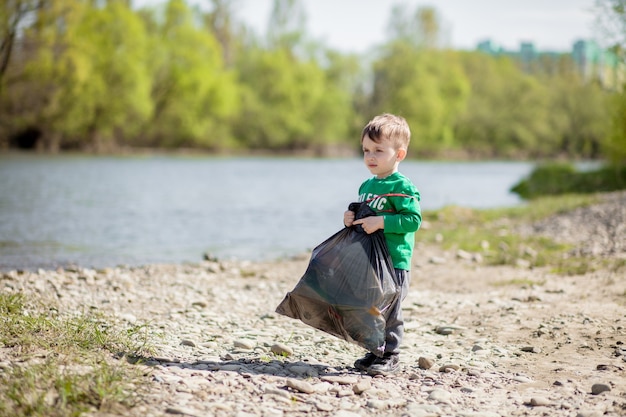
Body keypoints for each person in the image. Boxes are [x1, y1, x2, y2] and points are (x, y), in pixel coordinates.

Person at [343, 113, 422, 376]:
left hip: (394, 259)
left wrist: (382, 222)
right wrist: (350, 218)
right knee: (372, 306)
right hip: (370, 259)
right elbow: (366, 217)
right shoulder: (367, 185)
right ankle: (375, 350)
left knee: (390, 308)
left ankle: (391, 354)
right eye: (366, 150)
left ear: (399, 155)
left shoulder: (402, 186)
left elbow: (412, 220)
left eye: (378, 150)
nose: (370, 157)